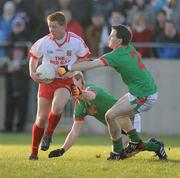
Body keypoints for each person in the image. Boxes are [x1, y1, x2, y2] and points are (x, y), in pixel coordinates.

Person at [58, 24, 168, 160]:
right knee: (115, 117)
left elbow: (92, 65)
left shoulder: (116, 56)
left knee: (110, 115)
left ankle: (123, 149)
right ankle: (142, 145)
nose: (109, 37)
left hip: (144, 95)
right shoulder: (128, 48)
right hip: (139, 92)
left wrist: (67, 67)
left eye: (112, 35)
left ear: (120, 41)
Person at [49, 72, 166, 160]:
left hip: (128, 116)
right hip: (117, 127)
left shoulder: (90, 88)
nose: (71, 86)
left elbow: (91, 96)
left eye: (73, 82)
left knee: (129, 151)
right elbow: (74, 132)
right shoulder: (79, 106)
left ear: (81, 81)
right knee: (123, 155)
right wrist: (62, 150)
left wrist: (81, 93)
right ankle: (153, 144)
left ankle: (156, 146)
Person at [28, 11, 90, 160]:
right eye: (49, 26)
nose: (51, 30)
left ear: (63, 26)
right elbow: (34, 58)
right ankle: (34, 153)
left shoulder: (75, 41)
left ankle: (48, 134)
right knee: (41, 119)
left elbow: (85, 59)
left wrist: (71, 70)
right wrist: (32, 73)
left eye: (54, 26)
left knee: (57, 107)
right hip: (47, 81)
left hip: (65, 81)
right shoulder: (45, 41)